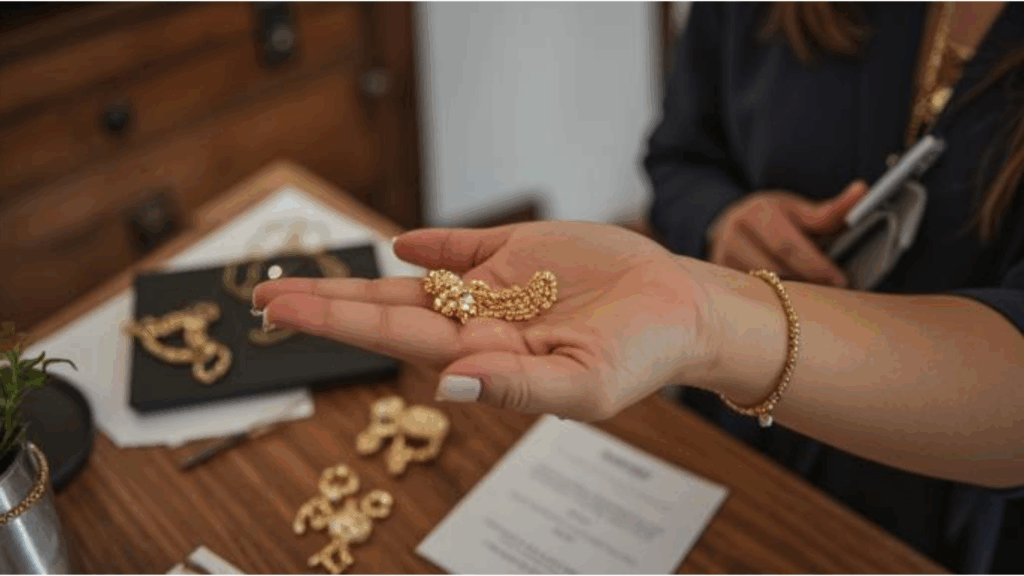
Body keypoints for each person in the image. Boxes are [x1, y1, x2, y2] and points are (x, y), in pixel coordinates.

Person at [251, 2, 1024, 572]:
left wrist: (710, 316)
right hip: (728, 451)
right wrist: (723, 222)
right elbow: (680, 158)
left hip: (943, 520)